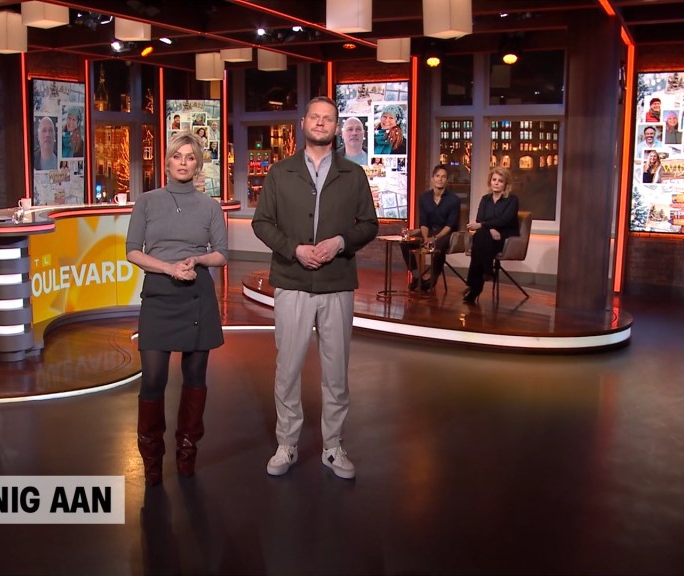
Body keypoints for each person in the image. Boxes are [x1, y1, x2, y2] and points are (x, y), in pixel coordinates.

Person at [251, 96, 379, 480]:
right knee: (288, 370)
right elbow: (262, 223)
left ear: (336, 127)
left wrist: (340, 242)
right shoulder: (280, 172)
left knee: (336, 373)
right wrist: (294, 249)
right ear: (303, 122)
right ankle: (287, 444)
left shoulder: (353, 175)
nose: (321, 123)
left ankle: (333, 447)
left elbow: (369, 225)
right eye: (315, 117)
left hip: (337, 283)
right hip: (292, 282)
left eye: (328, 119)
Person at [125, 131, 228, 487]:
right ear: (167, 161)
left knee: (195, 377)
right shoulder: (147, 202)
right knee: (153, 379)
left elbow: (221, 254)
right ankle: (152, 458)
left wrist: (196, 260)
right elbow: (132, 251)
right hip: (159, 294)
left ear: (198, 165)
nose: (183, 163)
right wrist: (169, 268)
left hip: (197, 294)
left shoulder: (209, 206)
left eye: (190, 157)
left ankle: (187, 450)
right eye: (177, 156)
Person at [400, 164, 461, 290]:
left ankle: (432, 280)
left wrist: (435, 238)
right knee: (405, 243)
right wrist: (425, 238)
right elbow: (423, 222)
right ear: (433, 178)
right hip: (428, 231)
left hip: (445, 233)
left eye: (443, 177)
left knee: (438, 245)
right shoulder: (424, 198)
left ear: (447, 180)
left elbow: (450, 225)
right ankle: (416, 276)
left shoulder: (454, 199)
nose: (440, 179)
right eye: (437, 176)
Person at [463, 167, 519, 304]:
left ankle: (474, 286)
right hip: (487, 235)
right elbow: (479, 218)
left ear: (506, 184)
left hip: (504, 236)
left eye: (500, 181)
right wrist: (489, 228)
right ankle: (487, 270)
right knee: (481, 238)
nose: (496, 183)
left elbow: (505, 220)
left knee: (479, 240)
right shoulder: (485, 199)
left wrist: (485, 226)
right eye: (494, 180)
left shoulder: (512, 199)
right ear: (490, 181)